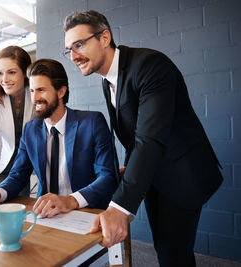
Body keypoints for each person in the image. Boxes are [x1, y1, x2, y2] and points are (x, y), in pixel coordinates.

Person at [63, 10, 223, 267]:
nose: (73, 56)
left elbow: (149, 139)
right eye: (69, 49)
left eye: (79, 45)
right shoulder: (107, 81)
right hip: (154, 175)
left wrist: (119, 207)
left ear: (104, 38)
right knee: (166, 248)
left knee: (174, 254)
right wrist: (129, 167)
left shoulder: (149, 65)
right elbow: (135, 135)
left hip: (183, 174)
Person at [0, 58, 118, 216]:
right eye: (32, 91)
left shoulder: (92, 123)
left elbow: (108, 177)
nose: (35, 98)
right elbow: (18, 176)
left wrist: (70, 200)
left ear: (61, 91)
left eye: (41, 90)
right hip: (46, 213)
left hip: (84, 211)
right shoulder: (31, 130)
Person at [0, 46, 34, 195]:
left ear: (25, 72)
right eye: (0, 73)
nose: (4, 80)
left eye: (12, 72)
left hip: (22, 170)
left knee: (20, 213)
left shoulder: (34, 92)